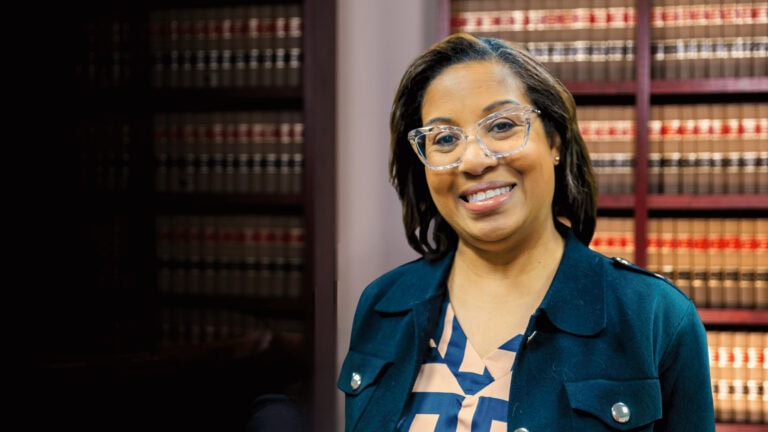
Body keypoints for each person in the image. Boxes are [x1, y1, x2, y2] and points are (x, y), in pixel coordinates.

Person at [337, 33, 715, 431]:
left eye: (502, 126)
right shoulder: (382, 305)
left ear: (554, 141)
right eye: (445, 139)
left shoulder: (655, 317)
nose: (474, 160)